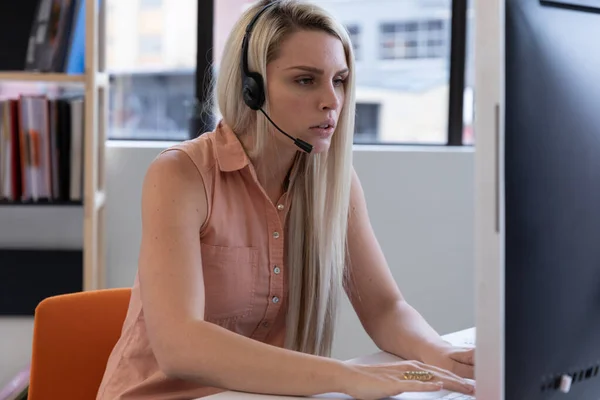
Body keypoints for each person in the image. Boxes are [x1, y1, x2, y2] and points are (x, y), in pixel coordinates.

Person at [96, 1, 476, 399]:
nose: (332, 100)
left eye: (340, 80)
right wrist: (347, 376)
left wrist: (444, 356)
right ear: (252, 89)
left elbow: (384, 309)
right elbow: (180, 345)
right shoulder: (181, 174)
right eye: (306, 80)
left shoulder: (333, 183)